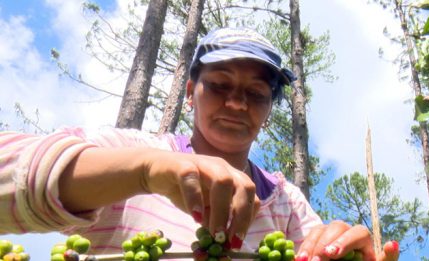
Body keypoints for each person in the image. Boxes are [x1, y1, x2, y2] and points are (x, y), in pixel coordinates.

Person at [0, 27, 399, 261]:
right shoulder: (133, 152)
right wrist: (147, 173)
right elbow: (10, 171)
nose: (237, 103)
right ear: (190, 92)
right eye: (220, 85)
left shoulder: (285, 203)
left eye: (257, 93)